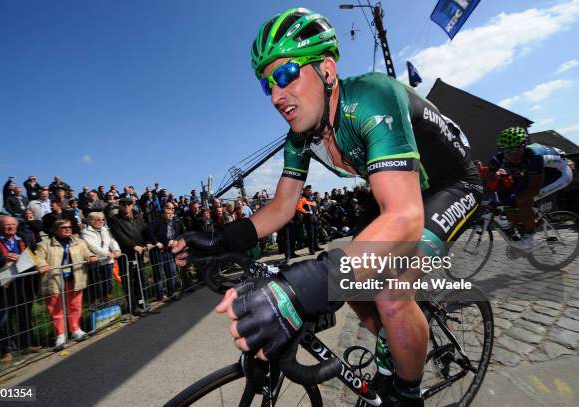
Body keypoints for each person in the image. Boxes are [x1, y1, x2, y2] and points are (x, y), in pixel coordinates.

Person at [173, 8, 483, 406]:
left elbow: (405, 216)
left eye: (285, 75)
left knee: (390, 291)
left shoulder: (373, 95)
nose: (275, 95)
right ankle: (394, 347)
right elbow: (282, 207)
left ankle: (407, 395)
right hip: (401, 191)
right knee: (353, 277)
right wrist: (221, 239)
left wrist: (305, 287)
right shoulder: (300, 137)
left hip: (450, 186)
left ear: (327, 69)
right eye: (266, 84)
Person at [484, 127, 574, 250]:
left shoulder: (534, 156)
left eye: (516, 149)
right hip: (537, 172)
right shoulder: (499, 157)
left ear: (524, 145)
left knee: (522, 199)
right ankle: (523, 230)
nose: (511, 154)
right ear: (501, 150)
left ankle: (529, 238)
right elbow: (487, 178)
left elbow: (534, 189)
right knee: (507, 201)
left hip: (559, 173)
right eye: (507, 151)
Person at [35, 220, 98, 350]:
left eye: (69, 227)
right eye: (63, 227)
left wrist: (91, 256)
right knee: (56, 309)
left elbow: (86, 252)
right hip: (54, 280)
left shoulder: (78, 242)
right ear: (56, 229)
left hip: (74, 278)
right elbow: (38, 256)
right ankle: (60, 334)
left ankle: (76, 329)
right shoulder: (45, 244)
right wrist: (41, 264)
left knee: (75, 305)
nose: (68, 229)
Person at [0, 216, 41, 362]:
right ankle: (7, 350)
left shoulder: (23, 239)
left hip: (23, 284)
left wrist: (28, 260)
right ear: (0, 226)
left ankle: (27, 343)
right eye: (7, 225)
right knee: (3, 319)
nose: (10, 227)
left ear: (17, 226)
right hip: (2, 285)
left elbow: (34, 256)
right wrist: (4, 259)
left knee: (24, 315)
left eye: (13, 224)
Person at [107, 198, 155, 314]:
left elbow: (146, 230)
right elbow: (120, 236)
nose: (126, 206)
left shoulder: (138, 217)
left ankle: (142, 302)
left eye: (129, 204)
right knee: (128, 280)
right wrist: (133, 246)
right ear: (120, 206)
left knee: (140, 277)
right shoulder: (115, 219)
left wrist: (149, 241)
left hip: (139, 252)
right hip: (126, 254)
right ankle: (133, 307)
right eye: (123, 204)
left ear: (132, 205)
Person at [81, 212, 121, 305]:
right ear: (90, 221)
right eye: (97, 219)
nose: (101, 221)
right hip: (96, 262)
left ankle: (108, 302)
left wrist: (116, 250)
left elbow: (112, 240)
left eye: (103, 219)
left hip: (108, 261)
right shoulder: (85, 232)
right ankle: (97, 305)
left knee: (109, 284)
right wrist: (106, 253)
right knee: (97, 285)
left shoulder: (105, 229)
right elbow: (92, 246)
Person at [149, 206, 184, 301]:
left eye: (172, 213)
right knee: (159, 274)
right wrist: (156, 242)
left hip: (169, 251)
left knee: (171, 272)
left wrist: (174, 241)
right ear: (163, 214)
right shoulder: (157, 222)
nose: (170, 215)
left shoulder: (175, 224)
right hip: (158, 252)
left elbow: (178, 235)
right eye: (168, 213)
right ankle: (160, 295)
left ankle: (171, 292)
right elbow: (149, 232)